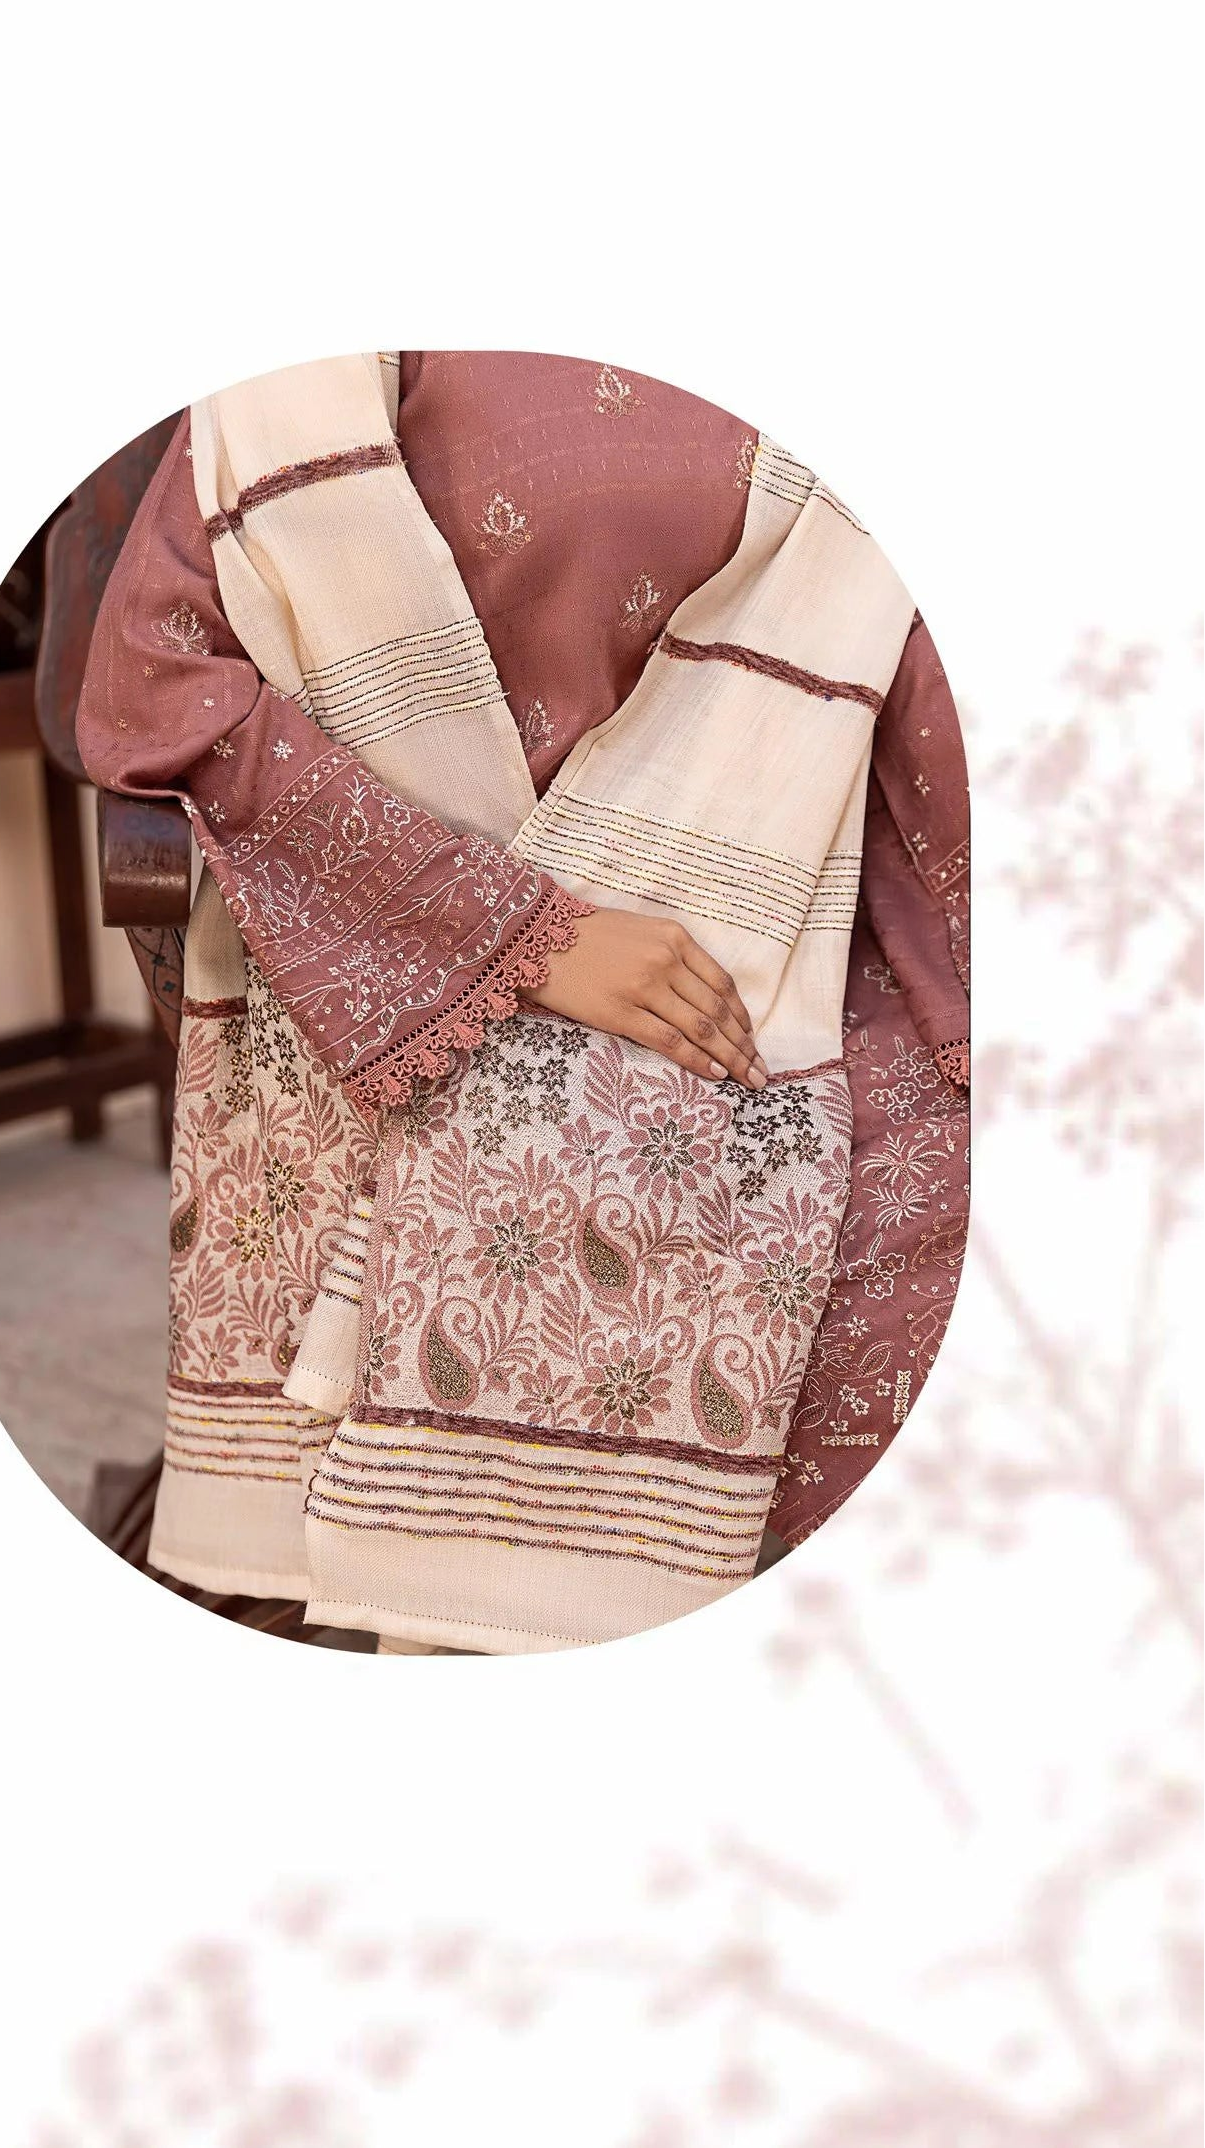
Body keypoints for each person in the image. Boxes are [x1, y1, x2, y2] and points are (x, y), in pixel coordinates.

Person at [77, 351, 969, 1655]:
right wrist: (522, 936)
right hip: (380, 952)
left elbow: (944, 719)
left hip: (765, 943)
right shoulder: (303, 373)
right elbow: (158, 682)